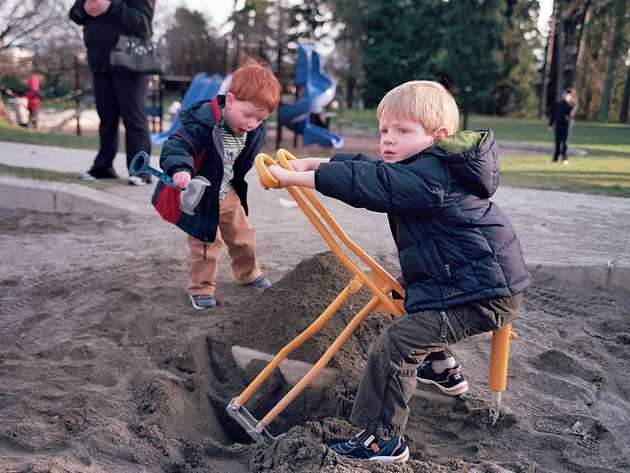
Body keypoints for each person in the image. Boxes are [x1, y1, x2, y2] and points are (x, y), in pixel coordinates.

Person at [266, 80, 531, 463]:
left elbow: (375, 184)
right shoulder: (427, 167)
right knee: (401, 295)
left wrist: (301, 178)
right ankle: (442, 366)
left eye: (402, 131)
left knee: (397, 345)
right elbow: (373, 170)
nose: (387, 140)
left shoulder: (430, 176)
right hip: (460, 277)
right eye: (384, 131)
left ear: (437, 136)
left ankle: (382, 439)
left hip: (482, 293)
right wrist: (315, 164)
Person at [155, 60, 280, 310]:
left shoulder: (253, 131)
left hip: (228, 192)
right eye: (248, 115)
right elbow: (177, 146)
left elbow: (249, 160)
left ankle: (248, 273)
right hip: (202, 195)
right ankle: (201, 288)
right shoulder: (203, 123)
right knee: (206, 244)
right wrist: (181, 169)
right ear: (230, 100)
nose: (252, 123)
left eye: (260, 119)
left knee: (243, 236)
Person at [69, 0, 154, 185]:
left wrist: (110, 7)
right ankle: (103, 167)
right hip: (100, 62)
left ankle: (140, 171)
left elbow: (144, 24)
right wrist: (84, 9)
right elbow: (74, 14)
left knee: (134, 120)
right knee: (106, 119)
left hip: (130, 63)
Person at [548, 87, 577, 165]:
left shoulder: (572, 105)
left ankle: (564, 159)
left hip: (566, 126)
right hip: (558, 125)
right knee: (557, 143)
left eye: (568, 94)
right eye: (564, 94)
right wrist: (550, 125)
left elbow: (571, 115)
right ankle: (555, 159)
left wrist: (570, 103)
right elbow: (553, 115)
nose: (565, 95)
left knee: (565, 143)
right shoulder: (558, 104)